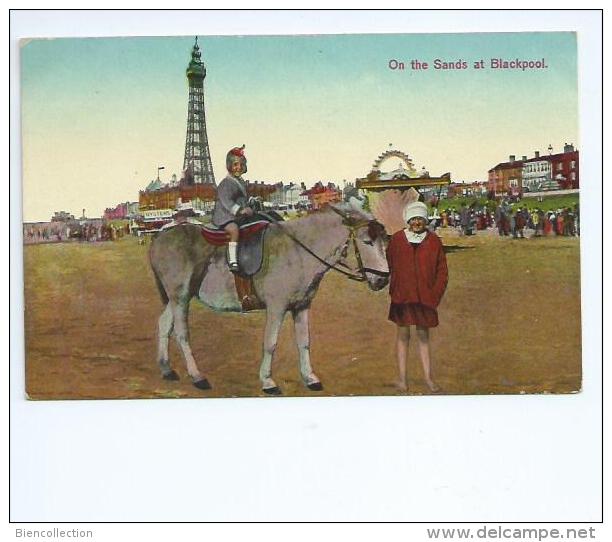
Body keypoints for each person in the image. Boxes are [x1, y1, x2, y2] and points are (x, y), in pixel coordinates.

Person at [386, 201, 449, 393]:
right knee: (403, 337)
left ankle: (428, 378)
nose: (416, 223)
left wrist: (433, 295)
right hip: (402, 297)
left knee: (423, 338)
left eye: (420, 219)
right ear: (408, 220)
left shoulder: (434, 241)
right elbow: (389, 264)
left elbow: (442, 272)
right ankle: (402, 379)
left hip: (425, 298)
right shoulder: (397, 240)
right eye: (413, 219)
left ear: (425, 220)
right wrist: (395, 287)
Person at [212, 145, 256, 272]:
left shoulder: (240, 181)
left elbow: (242, 198)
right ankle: (233, 261)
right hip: (225, 216)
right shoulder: (226, 183)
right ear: (229, 166)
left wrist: (250, 202)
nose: (238, 168)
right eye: (235, 165)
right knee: (234, 230)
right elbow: (227, 201)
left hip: (237, 216)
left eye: (241, 165)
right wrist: (240, 210)